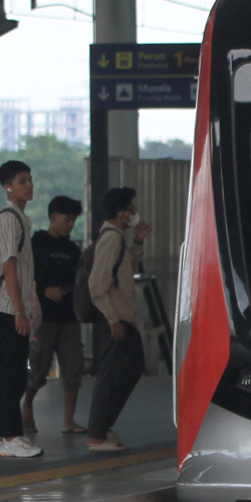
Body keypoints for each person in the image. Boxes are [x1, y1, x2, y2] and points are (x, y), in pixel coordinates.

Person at [0, 160, 43, 459]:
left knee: (9, 373)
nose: (29, 185)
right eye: (22, 181)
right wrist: (20, 311)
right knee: (12, 375)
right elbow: (9, 266)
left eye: (30, 179)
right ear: (8, 187)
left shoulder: (21, 218)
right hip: (8, 309)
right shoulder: (9, 218)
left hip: (13, 309)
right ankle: (9, 435)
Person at [86, 187, 148, 451]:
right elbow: (97, 284)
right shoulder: (111, 238)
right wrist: (112, 320)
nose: (134, 214)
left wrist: (138, 241)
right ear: (121, 213)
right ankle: (96, 434)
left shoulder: (119, 238)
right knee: (111, 376)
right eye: (132, 209)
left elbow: (126, 270)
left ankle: (103, 425)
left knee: (132, 367)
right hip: (114, 318)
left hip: (123, 317)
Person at [22, 195, 84, 435]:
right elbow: (24, 278)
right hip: (43, 317)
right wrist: (44, 291)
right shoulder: (36, 244)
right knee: (38, 368)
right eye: (67, 220)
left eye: (73, 221)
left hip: (69, 317)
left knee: (73, 367)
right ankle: (27, 403)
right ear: (53, 217)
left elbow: (78, 279)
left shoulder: (72, 249)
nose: (70, 225)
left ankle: (69, 420)